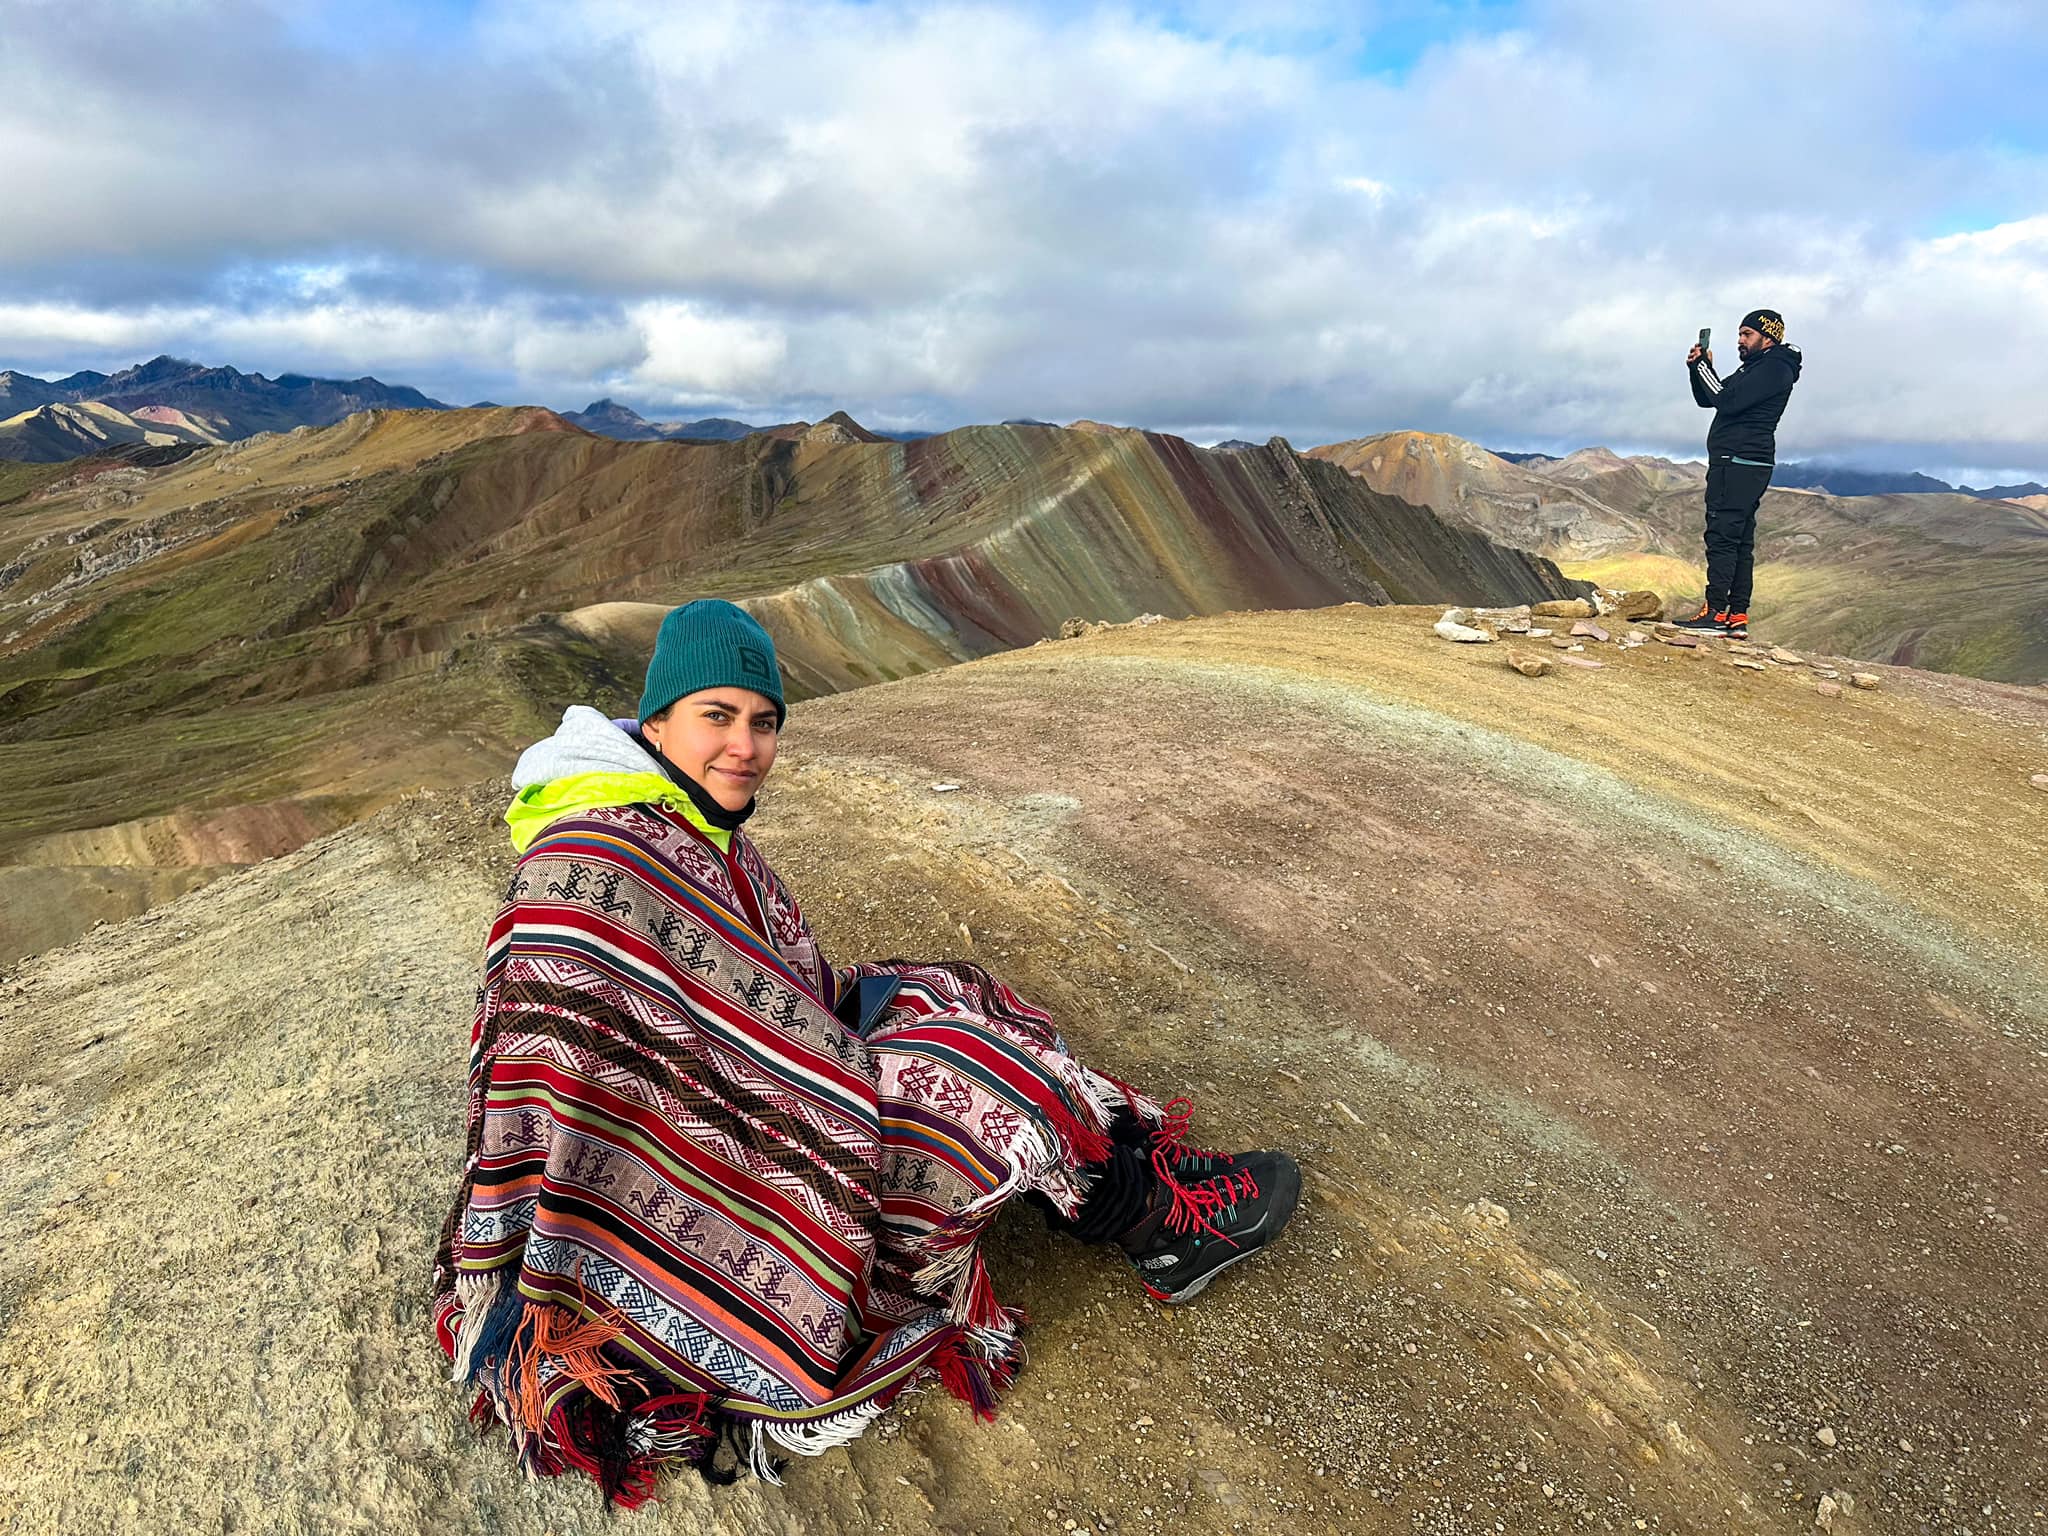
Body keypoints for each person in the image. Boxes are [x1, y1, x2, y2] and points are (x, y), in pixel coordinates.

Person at [430, 598, 1301, 1503]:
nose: (745, 746)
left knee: (955, 993)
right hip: (724, 1152)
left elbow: (764, 989)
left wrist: (832, 1036)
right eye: (716, 717)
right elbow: (582, 1061)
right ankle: (1155, 1229)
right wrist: (828, 1078)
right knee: (968, 1082)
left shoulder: (678, 815)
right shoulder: (598, 856)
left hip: (762, 1081)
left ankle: (1125, 1160)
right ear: (656, 721)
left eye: (763, 722)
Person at [1676, 308, 1803, 640]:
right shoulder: (1759, 369)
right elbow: (1709, 399)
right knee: (1739, 541)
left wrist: (1705, 367)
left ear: (1768, 336)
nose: (1740, 342)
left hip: (1737, 462)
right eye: (1739, 335)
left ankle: (1715, 613)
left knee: (1721, 536)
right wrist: (1698, 369)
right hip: (1744, 462)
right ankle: (1736, 616)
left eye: (1747, 334)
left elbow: (1726, 401)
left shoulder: (1774, 368)